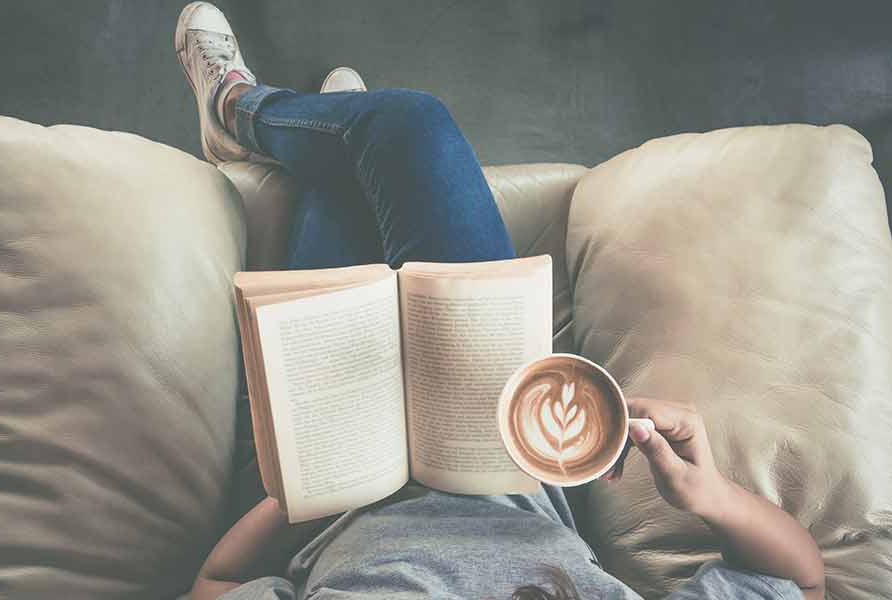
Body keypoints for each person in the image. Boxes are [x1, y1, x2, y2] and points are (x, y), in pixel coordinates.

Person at [175, 3, 825, 599]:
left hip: (336, 468)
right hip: (507, 437)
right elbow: (804, 583)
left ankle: (257, 112)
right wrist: (710, 495)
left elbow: (218, 581)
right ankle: (275, 116)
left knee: (349, 174)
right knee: (411, 126)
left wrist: (309, 490)